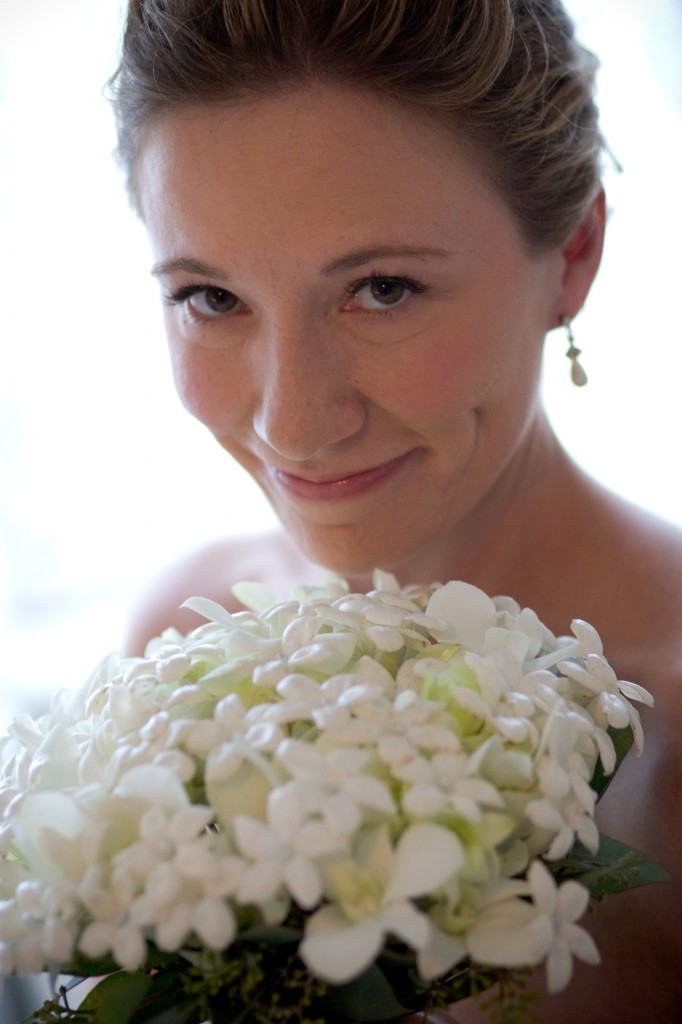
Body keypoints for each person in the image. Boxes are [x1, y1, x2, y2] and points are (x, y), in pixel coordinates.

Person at [109, 1, 682, 1021]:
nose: (292, 422)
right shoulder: (178, 640)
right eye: (211, 297)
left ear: (577, 252)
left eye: (381, 289)